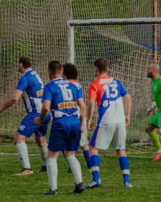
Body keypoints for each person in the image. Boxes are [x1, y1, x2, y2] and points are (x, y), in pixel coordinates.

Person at [34, 61, 86, 195]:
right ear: (62, 71)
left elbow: (45, 107)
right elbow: (83, 106)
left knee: (52, 155)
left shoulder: (49, 87)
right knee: (70, 154)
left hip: (61, 122)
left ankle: (53, 189)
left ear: (49, 72)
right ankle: (79, 184)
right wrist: (81, 125)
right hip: (75, 122)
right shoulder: (74, 86)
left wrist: (40, 119)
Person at [0, 56, 49, 176]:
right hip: (45, 112)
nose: (17, 66)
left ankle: (27, 168)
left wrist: (0, 108)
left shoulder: (26, 77)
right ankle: (46, 166)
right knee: (40, 139)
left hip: (36, 113)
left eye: (18, 64)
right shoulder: (35, 74)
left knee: (18, 138)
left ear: (21, 64)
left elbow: (14, 98)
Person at [85, 58, 133, 189]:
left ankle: (96, 179)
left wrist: (89, 119)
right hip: (120, 121)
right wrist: (127, 115)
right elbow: (128, 98)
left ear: (96, 69)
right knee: (121, 150)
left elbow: (91, 103)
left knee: (93, 148)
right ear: (107, 68)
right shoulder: (116, 82)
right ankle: (127, 182)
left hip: (106, 120)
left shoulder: (94, 84)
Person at [62, 63, 90, 169]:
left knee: (65, 143)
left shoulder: (63, 86)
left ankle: (71, 166)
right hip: (79, 116)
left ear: (64, 74)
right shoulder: (77, 85)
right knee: (84, 143)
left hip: (69, 117)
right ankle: (90, 164)